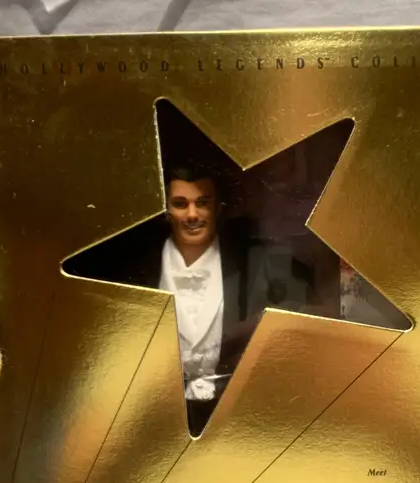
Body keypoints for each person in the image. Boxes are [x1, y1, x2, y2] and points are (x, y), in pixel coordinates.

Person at [65, 164, 322, 436]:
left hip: (235, 424)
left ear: (217, 208)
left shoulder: (255, 266)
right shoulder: (134, 270)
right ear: (166, 210)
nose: (192, 214)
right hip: (153, 422)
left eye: (202, 203)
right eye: (180, 204)